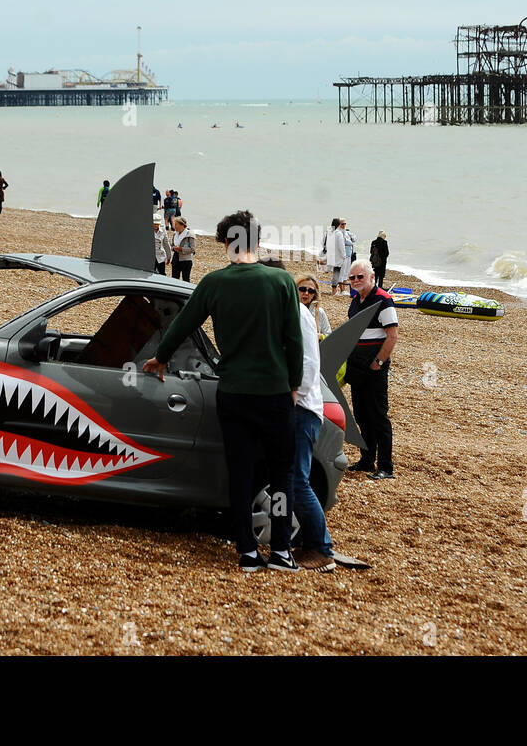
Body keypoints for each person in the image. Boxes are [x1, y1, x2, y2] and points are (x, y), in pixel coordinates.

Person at [141, 210, 303, 572]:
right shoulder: (281, 282)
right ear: (256, 241)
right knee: (281, 474)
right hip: (274, 392)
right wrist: (293, 384)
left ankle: (246, 552)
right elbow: (293, 340)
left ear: (229, 244)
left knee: (241, 472)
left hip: (233, 392)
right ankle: (280, 550)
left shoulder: (214, 283)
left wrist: (161, 358)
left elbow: (182, 324)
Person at [261, 259, 337, 572]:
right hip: (302, 406)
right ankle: (310, 544)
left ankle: (321, 548)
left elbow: (306, 363)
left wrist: (293, 393)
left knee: (297, 480)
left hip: (303, 408)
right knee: (293, 478)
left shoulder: (300, 315)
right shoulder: (293, 313)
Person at [346, 258, 399, 479]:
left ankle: (385, 467)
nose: (356, 280)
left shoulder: (384, 300)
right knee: (361, 415)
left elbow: (392, 335)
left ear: (371, 277)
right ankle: (367, 460)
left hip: (374, 369)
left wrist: (378, 362)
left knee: (378, 416)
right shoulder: (357, 299)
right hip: (357, 367)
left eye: (360, 276)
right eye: (352, 277)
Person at [322, 218, 348, 294]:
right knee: (336, 272)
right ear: (339, 224)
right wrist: (344, 255)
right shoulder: (338, 233)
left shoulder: (328, 232)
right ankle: (334, 290)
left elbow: (323, 241)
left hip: (330, 254)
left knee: (333, 269)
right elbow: (341, 246)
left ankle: (327, 270)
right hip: (337, 255)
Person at [170, 216, 195, 281]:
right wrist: (173, 248)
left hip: (186, 260)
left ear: (182, 225)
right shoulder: (175, 234)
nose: (174, 226)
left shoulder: (189, 235)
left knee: (186, 279)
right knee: (174, 279)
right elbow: (172, 245)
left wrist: (181, 249)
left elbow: (192, 249)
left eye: (176, 224)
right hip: (176, 258)